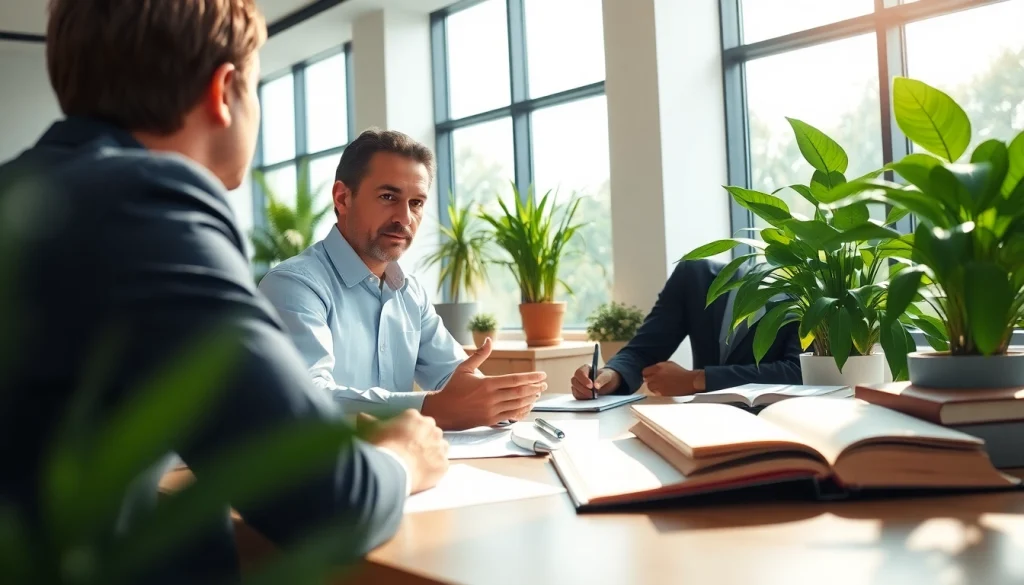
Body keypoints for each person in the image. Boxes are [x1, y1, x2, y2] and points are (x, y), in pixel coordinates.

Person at [0, 1, 447, 582]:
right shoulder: (149, 206)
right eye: (257, 87)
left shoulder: (27, 189)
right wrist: (407, 453)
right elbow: (328, 499)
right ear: (226, 90)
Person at [258, 130, 546, 431]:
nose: (405, 218)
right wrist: (430, 408)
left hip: (404, 465)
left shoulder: (410, 294)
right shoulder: (292, 286)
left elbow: (454, 380)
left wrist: (497, 401)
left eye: (417, 203)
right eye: (388, 197)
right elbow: (308, 399)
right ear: (343, 198)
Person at [571, 259, 802, 399]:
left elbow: (798, 372)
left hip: (777, 429)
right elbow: (642, 351)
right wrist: (610, 376)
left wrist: (696, 380)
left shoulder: (807, 293)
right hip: (700, 426)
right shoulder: (693, 278)